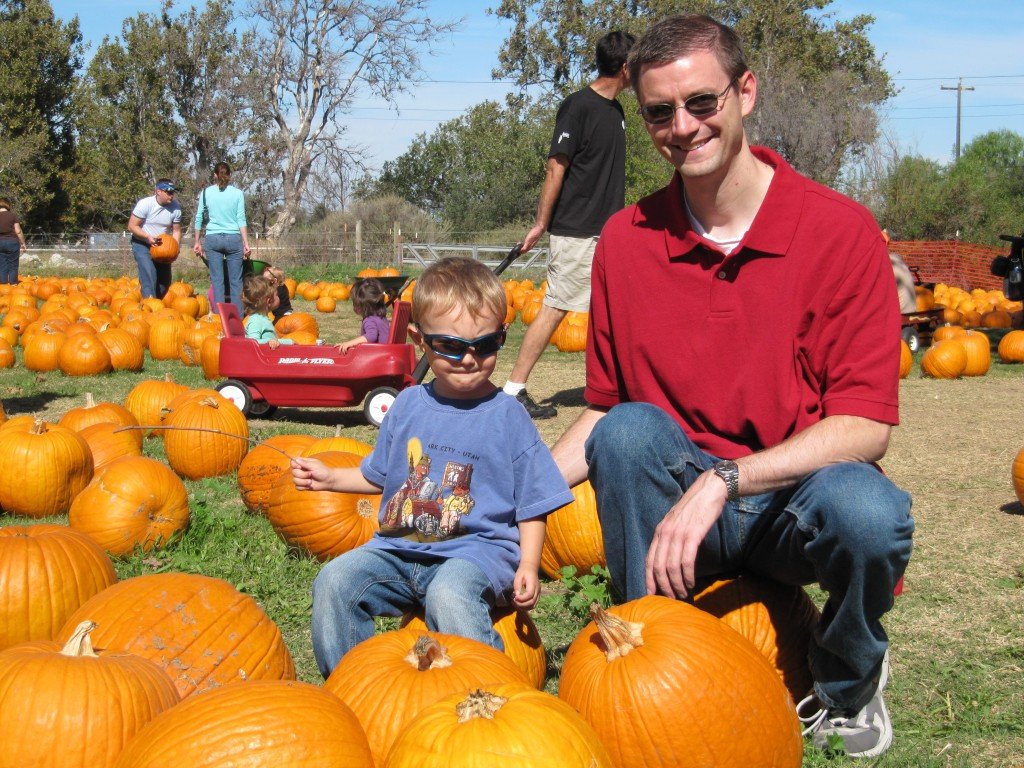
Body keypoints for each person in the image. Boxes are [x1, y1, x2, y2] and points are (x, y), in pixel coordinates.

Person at [550, 15, 913, 760]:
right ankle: (655, 667)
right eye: (660, 112)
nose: (682, 127)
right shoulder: (625, 240)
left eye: (702, 103)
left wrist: (727, 478)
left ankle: (847, 681)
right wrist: (512, 500)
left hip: (788, 503)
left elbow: (865, 425)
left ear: (745, 92)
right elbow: (606, 412)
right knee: (629, 432)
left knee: (869, 510)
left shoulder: (840, 233)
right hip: (678, 511)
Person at [291, 257, 574, 678]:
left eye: (486, 345)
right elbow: (378, 476)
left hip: (476, 554)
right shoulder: (406, 406)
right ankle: (353, 687)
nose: (468, 359)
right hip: (398, 548)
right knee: (335, 580)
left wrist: (529, 565)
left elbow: (533, 501)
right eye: (451, 346)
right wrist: (330, 478)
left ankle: (489, 692)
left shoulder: (508, 416)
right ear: (419, 339)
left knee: (449, 593)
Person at [502, 30, 635, 419]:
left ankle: (615, 388)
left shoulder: (617, 112)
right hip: (576, 230)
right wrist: (541, 223)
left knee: (613, 309)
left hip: (608, 230)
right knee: (557, 306)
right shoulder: (578, 107)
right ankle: (513, 390)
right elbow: (555, 167)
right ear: (626, 68)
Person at [194, 162, 251, 316]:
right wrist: (246, 243)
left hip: (213, 239)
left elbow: (199, 217)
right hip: (233, 239)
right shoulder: (238, 193)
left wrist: (197, 241)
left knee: (217, 281)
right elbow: (241, 219)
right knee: (235, 281)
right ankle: (237, 318)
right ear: (230, 175)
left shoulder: (206, 193)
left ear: (214, 175)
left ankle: (220, 318)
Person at [127, 179, 181, 299]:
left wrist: (175, 248)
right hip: (142, 243)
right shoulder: (145, 204)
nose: (171, 195)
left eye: (173, 192)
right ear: (158, 191)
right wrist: (147, 237)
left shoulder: (175, 208)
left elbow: (176, 230)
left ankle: (158, 302)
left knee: (164, 281)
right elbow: (132, 226)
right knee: (149, 272)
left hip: (162, 246)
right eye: (168, 192)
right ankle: (149, 303)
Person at [336, 278, 389, 353]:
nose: (353, 306)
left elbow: (371, 336)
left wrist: (350, 343)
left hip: (378, 356)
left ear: (362, 305)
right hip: (387, 352)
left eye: (354, 303)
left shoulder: (370, 320)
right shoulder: (381, 318)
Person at [242, 275, 293, 350]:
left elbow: (275, 341)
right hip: (261, 360)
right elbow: (252, 342)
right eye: (277, 295)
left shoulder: (262, 318)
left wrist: (289, 342)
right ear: (269, 301)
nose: (279, 297)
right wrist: (269, 341)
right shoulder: (257, 320)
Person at [0, 198, 26, 285]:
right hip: (12, 242)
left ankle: (3, 284)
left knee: (2, 264)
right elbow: (18, 231)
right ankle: (13, 284)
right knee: (13, 264)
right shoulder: (13, 216)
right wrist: (23, 243)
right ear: (8, 205)